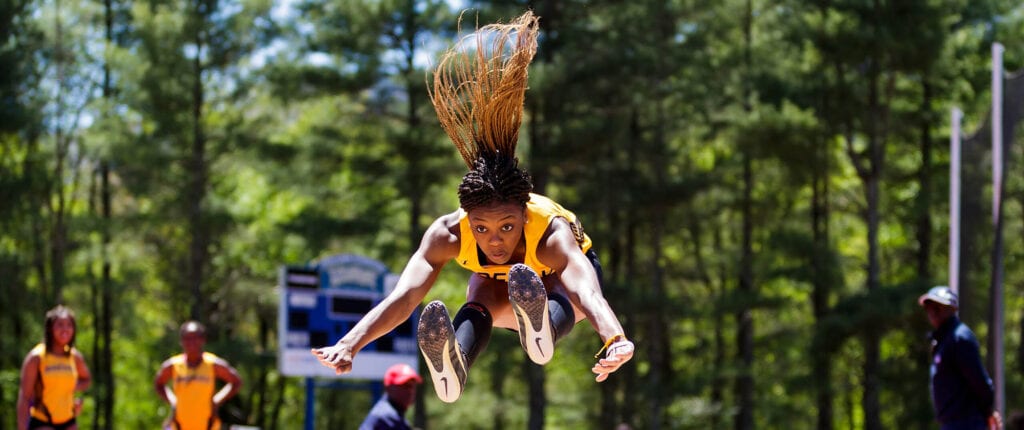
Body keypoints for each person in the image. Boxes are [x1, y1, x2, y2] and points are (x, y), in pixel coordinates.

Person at [312, 10, 634, 403]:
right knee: (479, 290)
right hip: (505, 291)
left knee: (555, 287)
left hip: (561, 287)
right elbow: (405, 297)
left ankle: (543, 326)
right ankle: (454, 362)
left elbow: (588, 290)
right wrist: (349, 343)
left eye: (507, 227)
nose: (494, 241)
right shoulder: (447, 233)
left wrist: (614, 337)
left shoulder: (549, 231)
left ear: (523, 214)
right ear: (467, 219)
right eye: (481, 228)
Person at [919, 286, 1002, 430]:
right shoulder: (943, 339)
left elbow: (979, 382)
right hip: (951, 423)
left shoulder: (959, 338)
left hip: (967, 422)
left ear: (952, 309)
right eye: (929, 308)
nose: (932, 312)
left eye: (938, 307)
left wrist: (987, 412)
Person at [154, 320, 242, 430]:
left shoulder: (213, 364)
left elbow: (236, 381)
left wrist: (217, 400)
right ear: (181, 341)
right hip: (179, 425)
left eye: (195, 338)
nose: (191, 342)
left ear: (203, 340)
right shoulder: (173, 365)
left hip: (208, 426)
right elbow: (159, 383)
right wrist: (173, 400)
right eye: (187, 338)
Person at [17, 305, 93, 430]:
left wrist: (70, 387)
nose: (65, 329)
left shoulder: (74, 356)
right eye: (60, 325)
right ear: (50, 328)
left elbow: (86, 379)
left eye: (69, 325)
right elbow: (24, 397)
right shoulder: (36, 357)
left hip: (69, 420)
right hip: (43, 420)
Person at [359, 363, 423, 430]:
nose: (411, 391)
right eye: (405, 385)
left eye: (413, 386)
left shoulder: (392, 413)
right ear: (389, 387)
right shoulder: (387, 417)